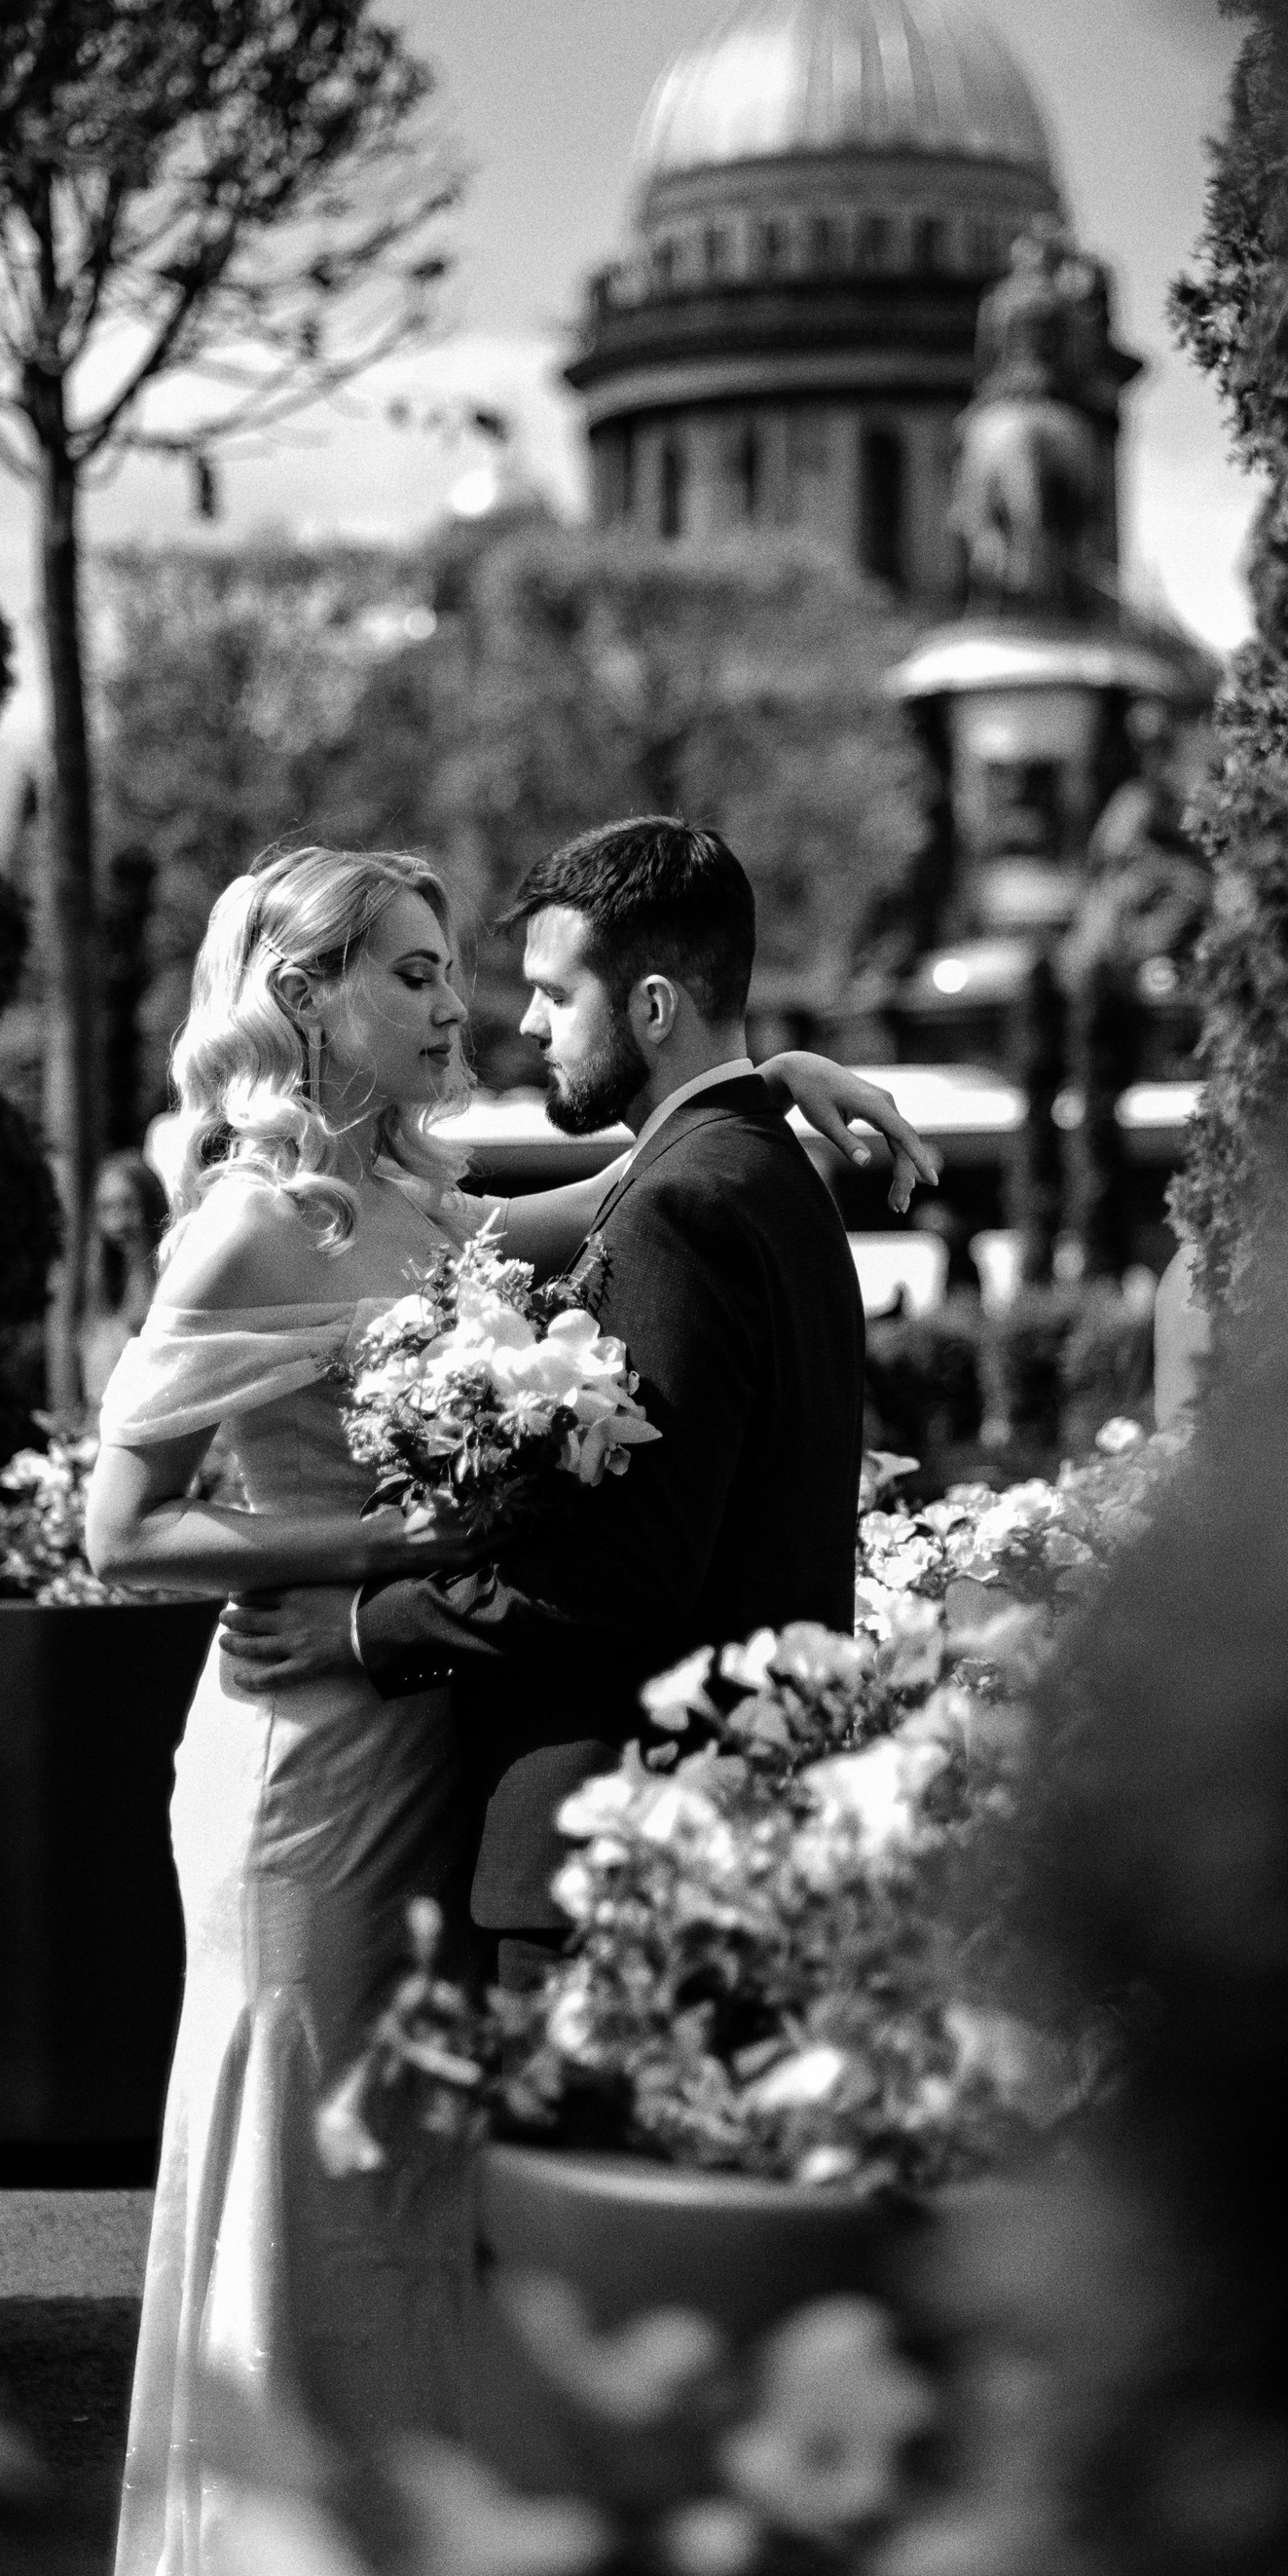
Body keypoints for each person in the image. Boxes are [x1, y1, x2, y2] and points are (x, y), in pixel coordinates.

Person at [0, 839, 932, 2576]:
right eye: (410, 972)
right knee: (286, 2182)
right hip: (304, 1755)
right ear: (304, 1000)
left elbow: (618, 1185)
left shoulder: (413, 1190)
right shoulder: (245, 1228)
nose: (453, 1006)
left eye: (453, 973)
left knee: (384, 2195)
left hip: (418, 1734)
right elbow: (120, 1526)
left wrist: (763, 1084)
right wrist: (393, 1540)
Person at [348, 817, 868, 1976]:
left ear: (649, 1010)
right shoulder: (762, 1177)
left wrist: (369, 1628)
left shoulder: (687, 1207)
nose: (526, 1024)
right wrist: (772, 1080)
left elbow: (631, 1568)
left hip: (617, 1849)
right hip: (715, 1836)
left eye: (553, 993)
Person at [76, 1147, 167, 1423]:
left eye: (128, 1205)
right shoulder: (99, 1284)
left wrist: (141, 1250)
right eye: (106, 1208)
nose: (117, 1221)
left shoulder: (169, 1275)